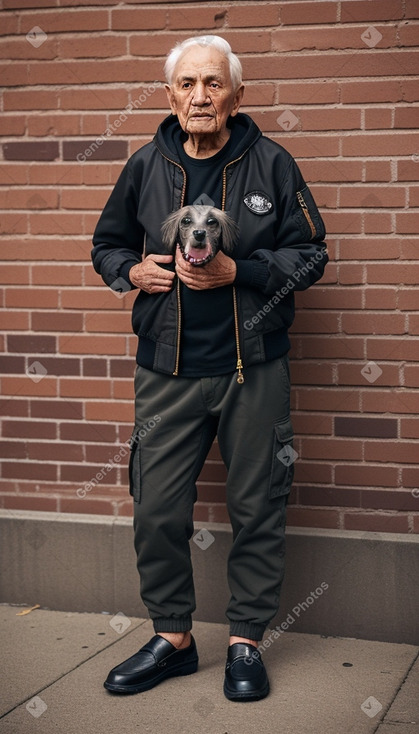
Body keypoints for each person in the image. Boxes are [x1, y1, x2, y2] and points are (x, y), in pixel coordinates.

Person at [91, 34, 328, 702]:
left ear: (235, 95)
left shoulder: (272, 164)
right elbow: (106, 242)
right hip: (165, 374)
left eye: (214, 84)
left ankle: (245, 641)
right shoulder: (144, 165)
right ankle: (172, 637)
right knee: (157, 510)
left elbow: (310, 256)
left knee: (257, 507)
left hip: (253, 371)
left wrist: (239, 272)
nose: (201, 96)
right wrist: (127, 270)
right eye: (188, 84)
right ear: (169, 94)